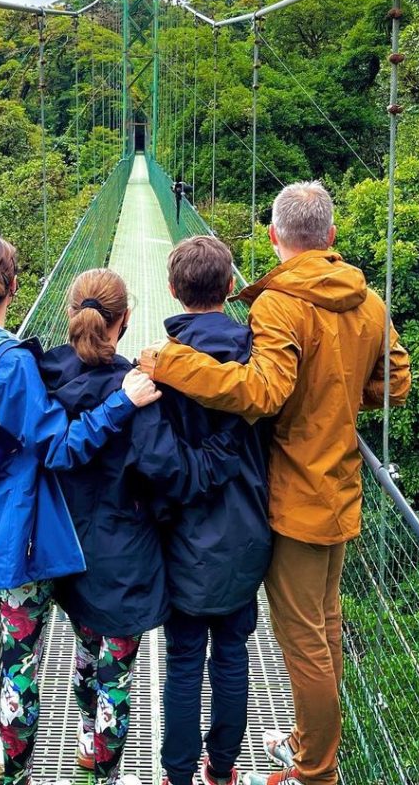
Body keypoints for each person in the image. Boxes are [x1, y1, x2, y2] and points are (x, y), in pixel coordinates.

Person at [139, 182, 411, 785]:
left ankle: (317, 769)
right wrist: (339, 391)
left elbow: (261, 394)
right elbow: (393, 382)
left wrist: (173, 361)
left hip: (296, 492)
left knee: (303, 641)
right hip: (340, 485)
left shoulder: (278, 304)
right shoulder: (368, 301)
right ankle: (309, 743)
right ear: (331, 237)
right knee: (326, 624)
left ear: (273, 237)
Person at [0, 234, 160, 785]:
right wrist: (122, 401)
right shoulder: (13, 367)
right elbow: (61, 448)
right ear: (12, 286)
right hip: (32, 527)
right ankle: (90, 759)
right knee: (68, 652)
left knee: (16, 661)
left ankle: (12, 775)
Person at [38, 267, 240, 785]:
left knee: (85, 650)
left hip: (65, 550)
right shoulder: (140, 391)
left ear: (69, 315)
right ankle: (103, 769)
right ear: (126, 320)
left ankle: (86, 739)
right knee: (116, 674)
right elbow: (167, 474)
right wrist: (223, 451)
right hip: (126, 560)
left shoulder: (39, 377)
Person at [156, 236, 272, 785]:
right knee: (232, 652)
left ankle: (177, 774)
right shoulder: (261, 357)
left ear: (174, 292)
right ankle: (221, 769)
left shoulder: (161, 368)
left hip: (182, 533)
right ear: (231, 287)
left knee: (183, 659)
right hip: (248, 528)